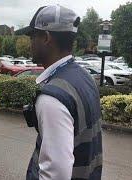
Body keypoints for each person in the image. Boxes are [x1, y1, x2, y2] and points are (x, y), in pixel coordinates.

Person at [20, 5, 103, 180]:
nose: (30, 43)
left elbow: (55, 175)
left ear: (46, 38)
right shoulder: (85, 77)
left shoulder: (53, 97)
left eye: (32, 36)